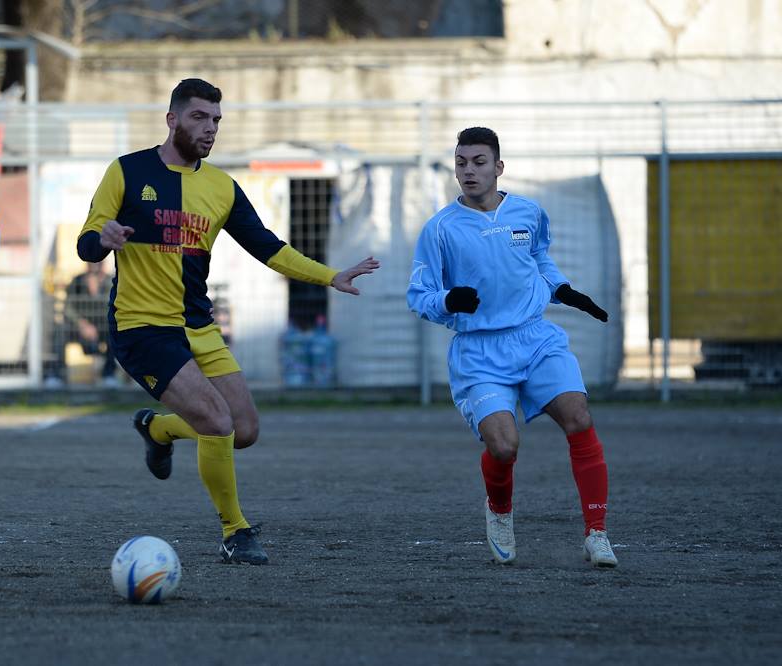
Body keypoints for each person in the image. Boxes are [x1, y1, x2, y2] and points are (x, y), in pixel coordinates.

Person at [77, 78, 379, 564]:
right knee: (216, 421)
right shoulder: (127, 172)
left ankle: (159, 430)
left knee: (244, 430)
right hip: (142, 328)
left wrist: (331, 276)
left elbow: (268, 247)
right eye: (199, 116)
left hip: (198, 328)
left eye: (216, 119)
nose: (210, 127)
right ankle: (235, 532)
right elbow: (86, 242)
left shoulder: (220, 187)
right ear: (172, 118)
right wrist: (103, 238)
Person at [407, 127, 618, 568]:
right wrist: (447, 301)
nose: (468, 171)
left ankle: (596, 533)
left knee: (579, 417)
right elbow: (419, 296)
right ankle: (499, 511)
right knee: (504, 446)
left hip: (535, 338)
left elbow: (540, 260)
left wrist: (563, 290)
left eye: (479, 162)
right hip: (479, 353)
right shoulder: (440, 229)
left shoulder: (528, 212)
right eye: (461, 162)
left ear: (498, 167)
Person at [51, 261, 120, 386]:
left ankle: (109, 374)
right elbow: (68, 307)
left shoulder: (111, 281)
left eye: (98, 262)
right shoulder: (77, 281)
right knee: (59, 331)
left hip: (103, 326)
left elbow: (113, 307)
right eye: (91, 262)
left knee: (115, 331)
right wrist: (82, 324)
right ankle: (57, 375)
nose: (95, 265)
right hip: (80, 327)